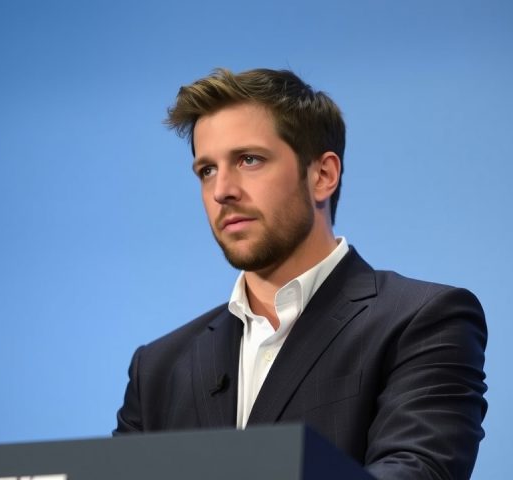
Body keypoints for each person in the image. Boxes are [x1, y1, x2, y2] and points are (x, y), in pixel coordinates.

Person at [113, 68, 488, 479]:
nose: (222, 190)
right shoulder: (159, 368)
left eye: (249, 160)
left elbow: (417, 470)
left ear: (322, 175)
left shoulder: (422, 320)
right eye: (207, 170)